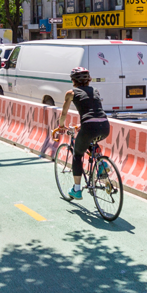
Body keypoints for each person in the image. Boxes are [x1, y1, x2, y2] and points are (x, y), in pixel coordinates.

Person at [56, 67, 110, 200]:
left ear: (73, 80)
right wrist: (82, 125)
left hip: (89, 126)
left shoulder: (71, 93)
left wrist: (61, 125)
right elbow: (95, 112)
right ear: (89, 79)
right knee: (92, 140)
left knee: (78, 154)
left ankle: (77, 189)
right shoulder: (95, 90)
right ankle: (102, 164)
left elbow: (64, 113)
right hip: (104, 125)